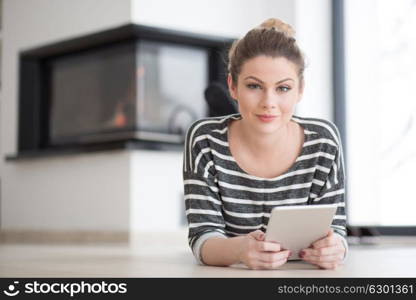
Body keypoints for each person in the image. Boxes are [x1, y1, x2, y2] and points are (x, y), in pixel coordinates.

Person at [183, 18, 347, 270]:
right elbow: (202, 238)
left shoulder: (323, 140)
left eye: (283, 88)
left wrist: (336, 248)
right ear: (232, 86)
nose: (268, 102)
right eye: (254, 86)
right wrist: (240, 249)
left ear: (300, 90)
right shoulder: (205, 140)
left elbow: (336, 230)